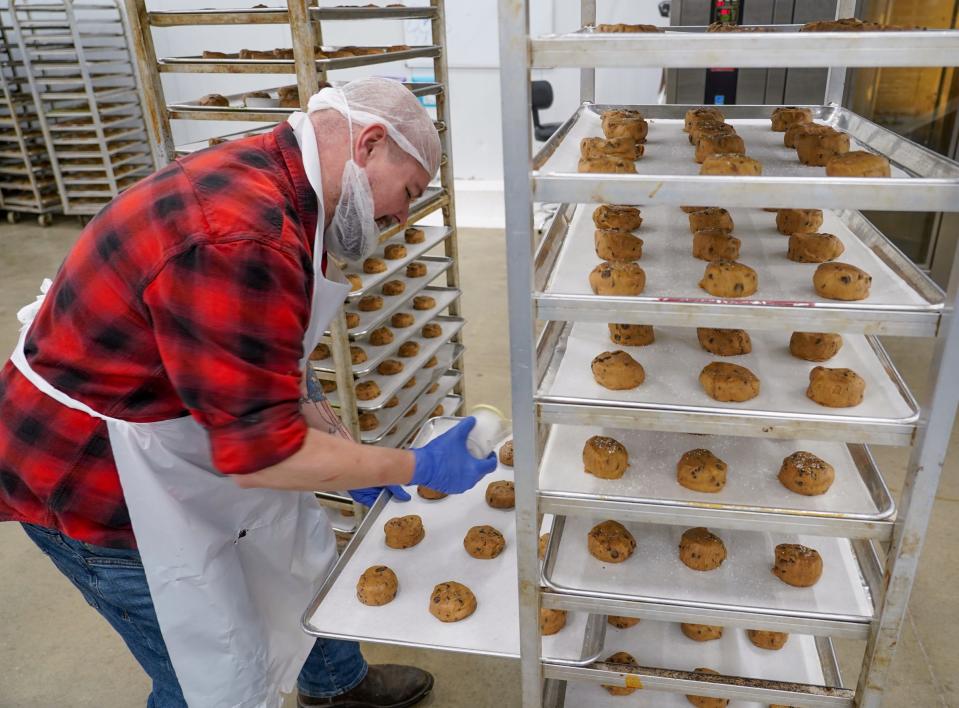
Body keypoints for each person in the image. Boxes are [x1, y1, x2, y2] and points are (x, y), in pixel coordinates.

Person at [0, 77, 497, 708]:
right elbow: (266, 455)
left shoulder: (281, 179)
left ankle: (335, 685)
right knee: (206, 671)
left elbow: (268, 342)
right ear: (369, 144)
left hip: (177, 422)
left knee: (297, 552)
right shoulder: (240, 234)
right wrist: (415, 464)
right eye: (408, 194)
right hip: (92, 480)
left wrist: (336, 439)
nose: (400, 218)